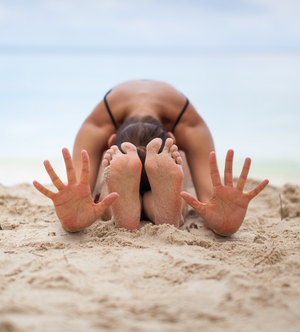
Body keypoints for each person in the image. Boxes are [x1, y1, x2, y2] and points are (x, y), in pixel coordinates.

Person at [33, 80, 269, 236]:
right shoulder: (191, 125)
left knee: (100, 187)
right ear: (173, 138)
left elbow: (79, 189)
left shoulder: (96, 125)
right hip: (166, 160)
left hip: (121, 164)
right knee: (182, 178)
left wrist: (80, 209)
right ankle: (167, 208)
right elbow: (209, 197)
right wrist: (219, 217)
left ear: (111, 140)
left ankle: (114, 202)